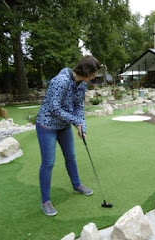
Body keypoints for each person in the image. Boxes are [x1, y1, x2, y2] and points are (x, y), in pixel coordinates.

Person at [36, 55, 100, 216]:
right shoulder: (61, 81)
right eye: (93, 73)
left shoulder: (82, 85)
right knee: (48, 163)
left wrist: (82, 126)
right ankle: (45, 201)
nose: (94, 76)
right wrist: (75, 121)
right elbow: (54, 108)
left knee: (71, 156)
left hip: (63, 126)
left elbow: (78, 107)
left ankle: (77, 185)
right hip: (47, 125)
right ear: (86, 71)